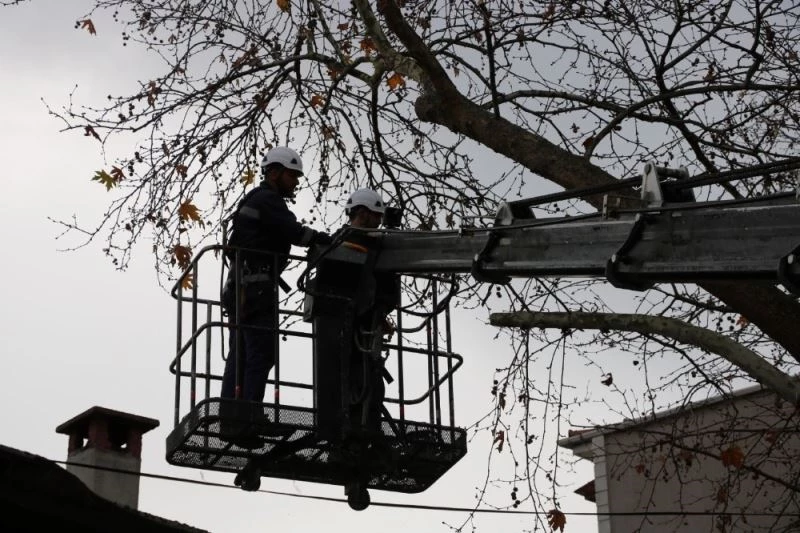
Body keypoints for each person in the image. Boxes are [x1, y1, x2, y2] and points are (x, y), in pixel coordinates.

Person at [221, 146, 332, 408]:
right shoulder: (267, 200)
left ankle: (232, 413)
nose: (295, 183)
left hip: (242, 289)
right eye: (291, 176)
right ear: (274, 173)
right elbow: (293, 231)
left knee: (241, 354)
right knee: (260, 352)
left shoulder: (256, 199)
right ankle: (247, 412)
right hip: (255, 290)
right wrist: (323, 240)